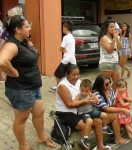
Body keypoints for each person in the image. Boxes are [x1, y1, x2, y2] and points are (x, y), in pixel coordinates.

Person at [0, 15, 56, 150]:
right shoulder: (11, 45)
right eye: (26, 26)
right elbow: (2, 61)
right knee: (21, 119)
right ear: (17, 29)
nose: (29, 28)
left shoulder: (24, 41)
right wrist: (13, 72)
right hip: (21, 89)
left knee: (39, 112)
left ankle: (41, 137)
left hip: (33, 87)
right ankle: (23, 145)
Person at [55, 64, 111, 150]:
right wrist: (85, 101)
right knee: (86, 125)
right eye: (74, 74)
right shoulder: (63, 86)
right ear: (67, 74)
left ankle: (100, 146)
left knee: (99, 121)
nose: (76, 76)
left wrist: (93, 99)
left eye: (78, 74)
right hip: (66, 112)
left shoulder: (78, 82)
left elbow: (86, 94)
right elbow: (69, 105)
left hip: (79, 110)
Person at [92, 74, 131, 145]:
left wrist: (122, 100)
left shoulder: (110, 90)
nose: (109, 85)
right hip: (97, 116)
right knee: (117, 115)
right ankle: (118, 138)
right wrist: (122, 109)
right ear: (100, 85)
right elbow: (107, 109)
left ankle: (129, 134)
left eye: (110, 82)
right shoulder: (96, 93)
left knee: (121, 113)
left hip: (105, 114)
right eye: (107, 84)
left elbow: (113, 104)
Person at [49, 20, 76, 93]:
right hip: (72, 59)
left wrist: (63, 50)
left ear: (65, 28)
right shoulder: (72, 37)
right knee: (69, 75)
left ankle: (59, 89)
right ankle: (71, 88)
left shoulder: (66, 37)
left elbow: (61, 48)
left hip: (66, 60)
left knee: (57, 74)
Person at [98, 19, 123, 92]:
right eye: (111, 27)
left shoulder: (116, 37)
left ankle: (111, 98)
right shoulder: (103, 38)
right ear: (106, 28)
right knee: (105, 83)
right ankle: (104, 98)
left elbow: (120, 47)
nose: (113, 29)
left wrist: (116, 38)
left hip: (115, 62)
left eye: (114, 27)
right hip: (106, 62)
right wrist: (114, 40)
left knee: (116, 83)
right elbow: (109, 50)